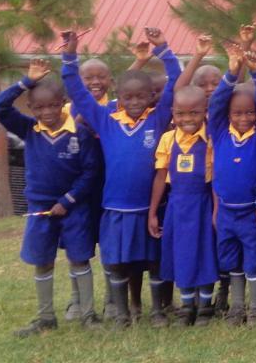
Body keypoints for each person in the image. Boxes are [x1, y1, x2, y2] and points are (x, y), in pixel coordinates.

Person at [61, 27, 180, 328]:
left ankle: (156, 312)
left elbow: (177, 80)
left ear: (151, 98)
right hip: (114, 208)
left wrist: (163, 48)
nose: (135, 101)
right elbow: (76, 90)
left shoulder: (158, 117)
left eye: (142, 96)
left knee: (152, 261)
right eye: (128, 96)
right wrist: (69, 55)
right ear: (119, 98)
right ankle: (122, 312)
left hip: (146, 209)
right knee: (115, 260)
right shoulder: (106, 119)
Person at [0, 59, 102, 335]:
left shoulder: (81, 134)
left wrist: (67, 201)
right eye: (39, 107)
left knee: (79, 258)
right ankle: (45, 318)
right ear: (31, 109)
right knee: (42, 260)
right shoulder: (29, 129)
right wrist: (25, 82)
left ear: (62, 102)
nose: (47, 112)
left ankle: (88, 315)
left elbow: (90, 172)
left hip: (73, 207)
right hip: (40, 207)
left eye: (53, 105)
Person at [210, 47, 256, 326]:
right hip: (225, 212)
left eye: (250, 113)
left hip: (251, 212)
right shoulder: (221, 133)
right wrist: (232, 71)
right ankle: (237, 306)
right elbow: (216, 104)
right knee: (231, 261)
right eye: (237, 113)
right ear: (228, 115)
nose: (244, 118)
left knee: (253, 261)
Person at [148, 85, 218, 327]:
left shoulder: (211, 138)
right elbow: (160, 177)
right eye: (180, 114)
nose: (187, 119)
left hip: (203, 204)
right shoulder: (168, 139)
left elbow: (217, 178)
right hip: (177, 206)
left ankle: (205, 307)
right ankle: (187, 306)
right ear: (172, 113)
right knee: (182, 254)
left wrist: (216, 210)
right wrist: (153, 212)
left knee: (205, 252)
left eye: (194, 113)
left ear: (206, 112)